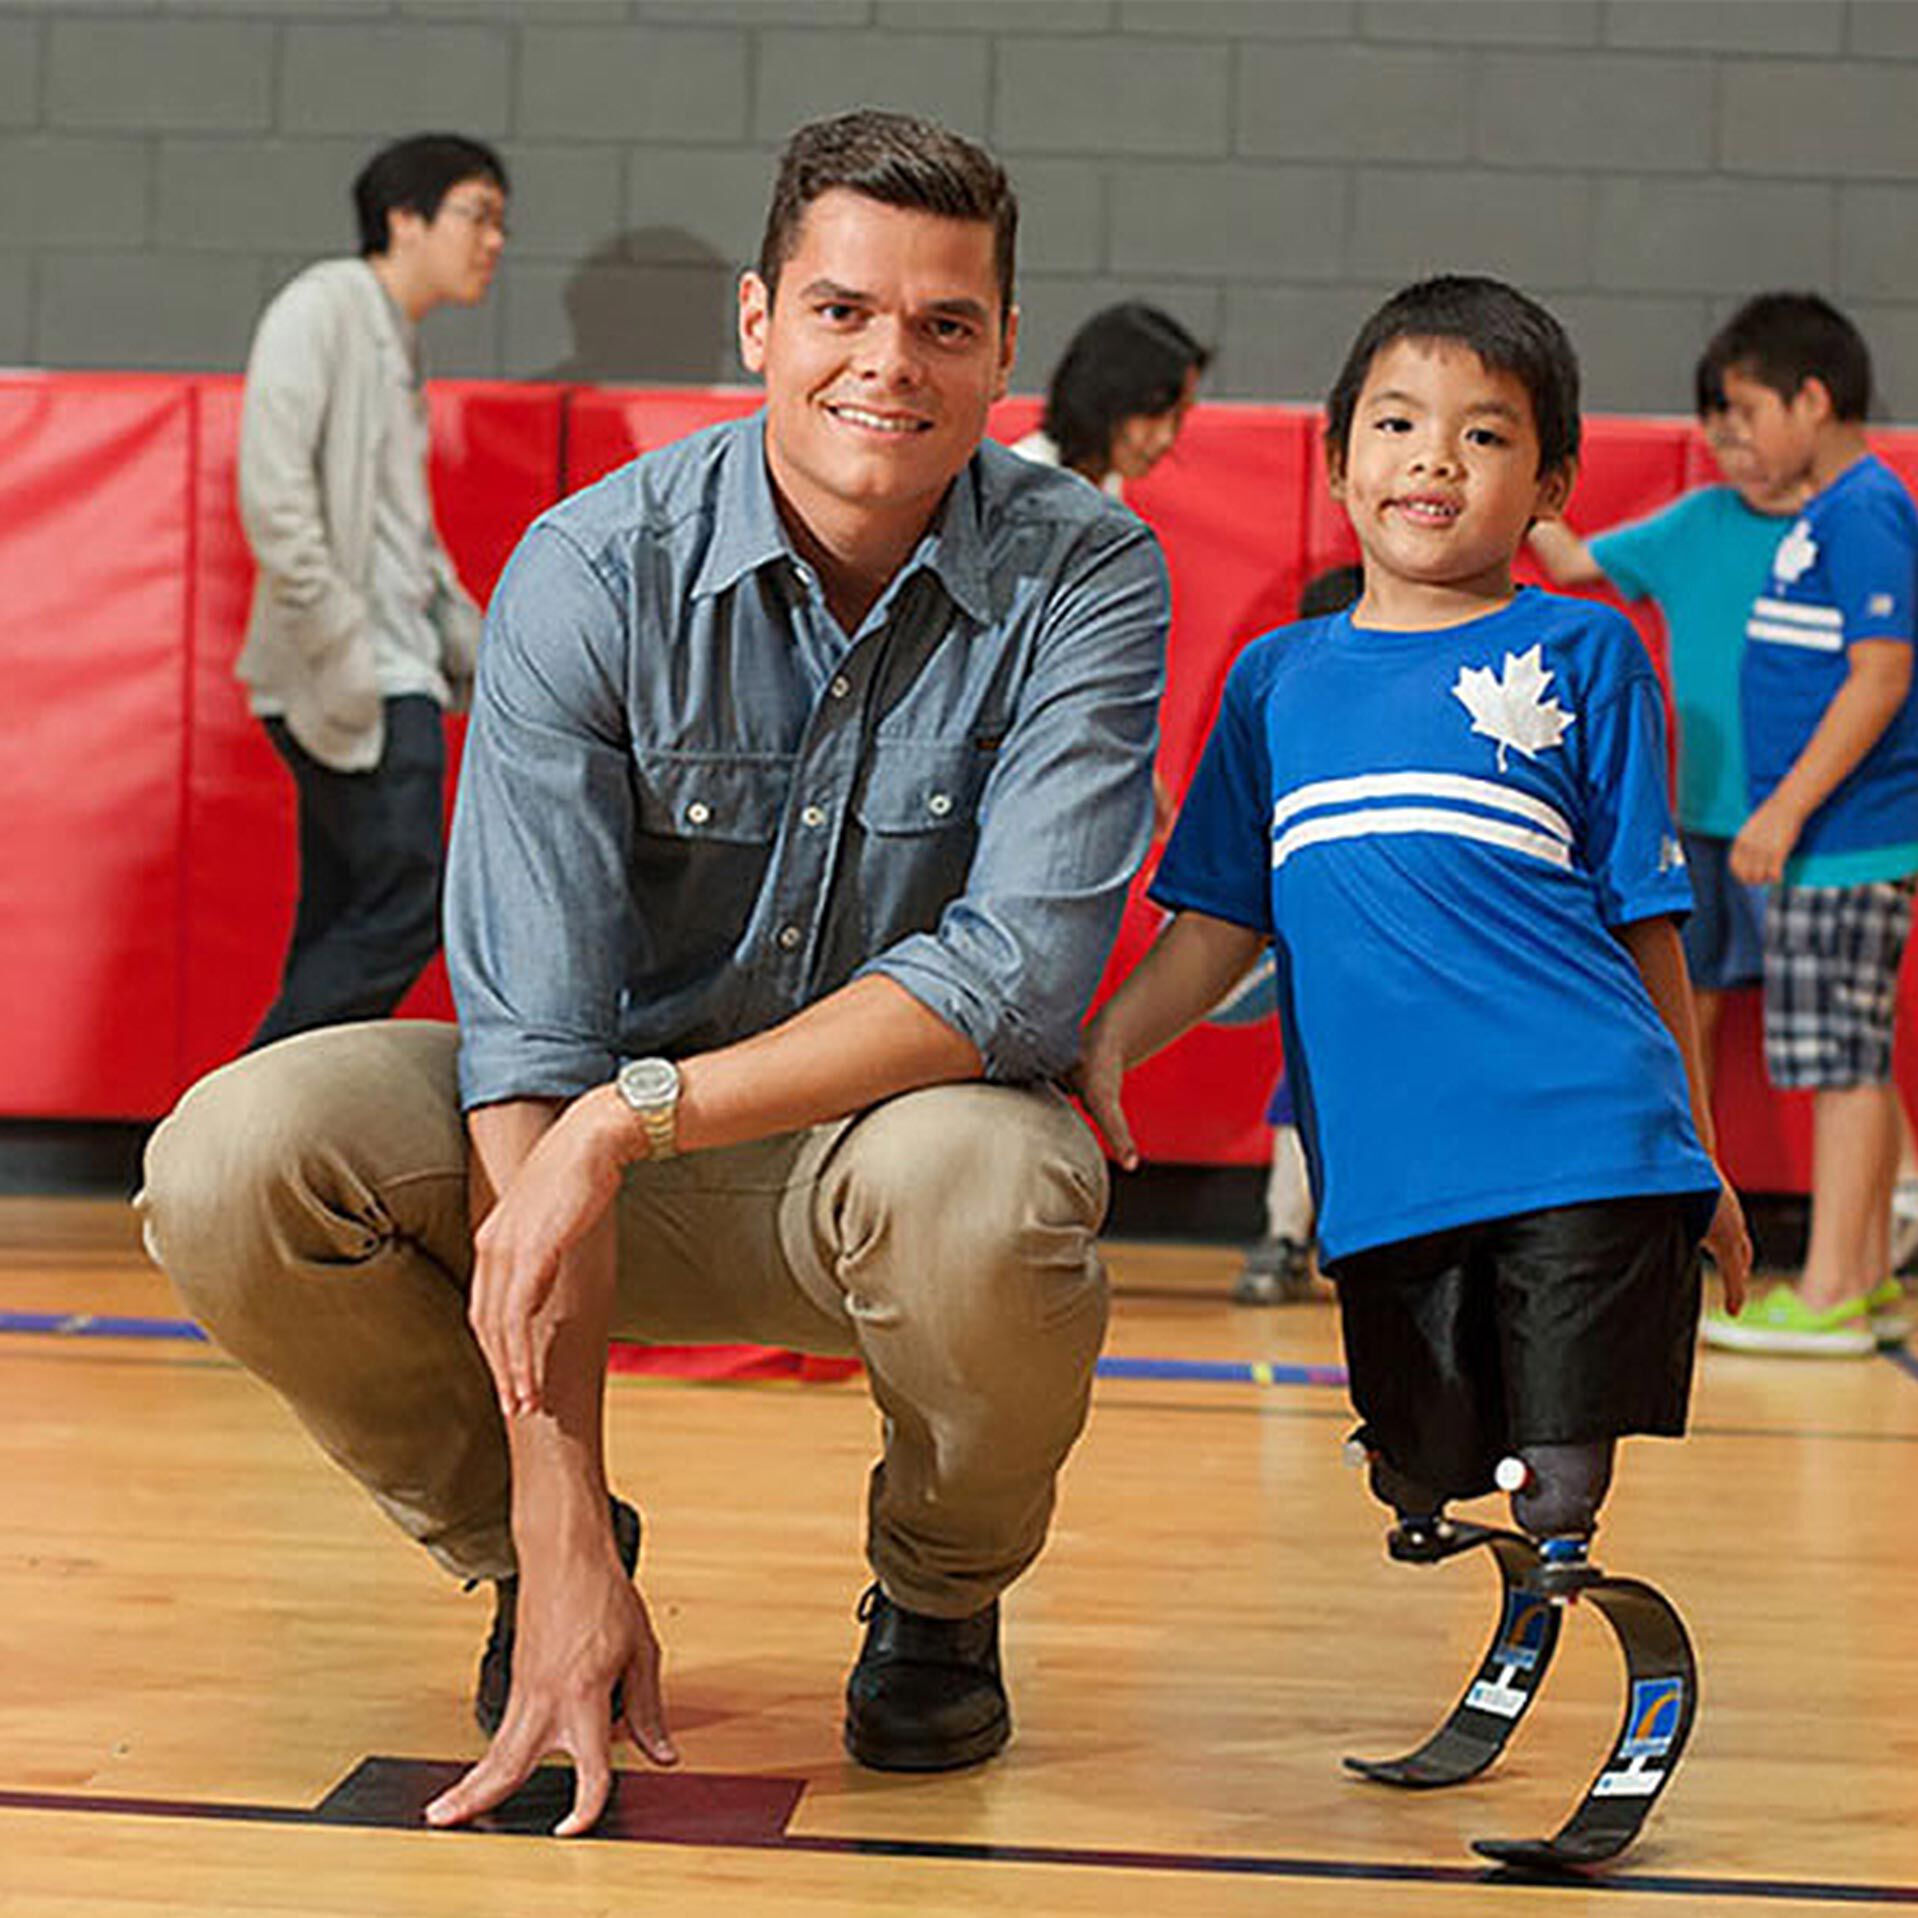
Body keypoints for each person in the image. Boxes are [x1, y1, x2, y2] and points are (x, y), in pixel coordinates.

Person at [138, 109, 1169, 1837]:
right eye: (841, 310)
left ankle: (932, 1590)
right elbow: (529, 1035)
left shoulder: (1085, 568)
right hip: (567, 1147)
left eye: (939, 324)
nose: (886, 363)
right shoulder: (593, 568)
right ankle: (544, 1559)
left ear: (998, 346)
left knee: (995, 1177)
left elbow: (1014, 977)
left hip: (872, 1163)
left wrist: (637, 1120)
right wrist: (552, 1499)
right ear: (759, 323)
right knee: (232, 1156)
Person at [1077, 276, 1750, 1585]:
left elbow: (1647, 925)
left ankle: (1561, 1569)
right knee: (1422, 1468)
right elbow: (1217, 917)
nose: (1433, 456)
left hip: (1584, 1129)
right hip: (1388, 1165)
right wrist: (1107, 1044)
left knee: (1559, 1478)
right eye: (1395, 424)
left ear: (1552, 485)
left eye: (1484, 434)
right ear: (1335, 463)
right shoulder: (1275, 680)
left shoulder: (1585, 651)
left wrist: (1697, 1158)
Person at [236, 133, 509, 1049]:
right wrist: (346, 649)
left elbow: (404, 533)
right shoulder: (322, 307)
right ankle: (234, 1116)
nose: (494, 241)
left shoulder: (396, 336)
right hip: (362, 675)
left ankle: (269, 1146)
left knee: (343, 914)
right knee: (408, 899)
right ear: (404, 218)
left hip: (394, 667)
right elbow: (275, 496)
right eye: (477, 215)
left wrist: (470, 643)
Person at [1697, 295, 1918, 1358]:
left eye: (1747, 411)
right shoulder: (1826, 512)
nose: (1736, 436)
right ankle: (1863, 1276)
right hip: (1833, 841)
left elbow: (1880, 675)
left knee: (1842, 1068)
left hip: (1845, 839)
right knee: (1849, 1061)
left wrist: (1784, 809)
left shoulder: (1864, 508)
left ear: (1811, 398)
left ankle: (1832, 1283)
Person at [1233, 562, 1362, 1305]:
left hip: (1404, 964)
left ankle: (1348, 1240)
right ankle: (1286, 1236)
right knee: (1306, 1086)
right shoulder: (1283, 717)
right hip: (1315, 946)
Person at [1012, 300, 1209, 498]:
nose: (1165, 437)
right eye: (1153, 413)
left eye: (1178, 417)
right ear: (1103, 399)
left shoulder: (1103, 484)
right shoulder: (1020, 492)